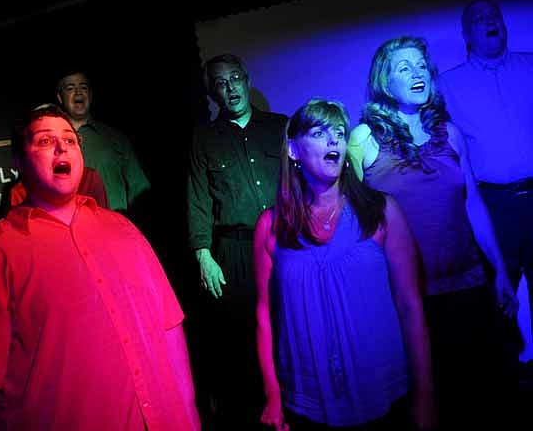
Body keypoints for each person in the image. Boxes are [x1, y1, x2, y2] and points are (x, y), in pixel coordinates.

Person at [0, 104, 200, 431]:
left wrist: (188, 414)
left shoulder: (123, 230)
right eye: (45, 141)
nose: (62, 146)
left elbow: (169, 327)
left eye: (70, 139)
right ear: (18, 161)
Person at [348, 36, 518, 429]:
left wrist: (501, 273)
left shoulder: (450, 134)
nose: (417, 73)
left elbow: (473, 203)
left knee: (481, 392)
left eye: (421, 66)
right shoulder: (363, 140)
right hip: (408, 298)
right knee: (429, 402)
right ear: (384, 81)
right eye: (404, 68)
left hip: (468, 283)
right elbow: (357, 228)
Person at [255, 98, 434, 430]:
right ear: (294, 150)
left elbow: (411, 304)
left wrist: (425, 394)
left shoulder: (381, 211)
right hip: (305, 402)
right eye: (320, 132)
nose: (333, 138)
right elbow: (265, 316)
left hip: (384, 395)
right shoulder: (271, 226)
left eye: (339, 130)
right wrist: (272, 395)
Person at [187, 53, 288, 429]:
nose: (230, 88)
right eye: (220, 83)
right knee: (245, 336)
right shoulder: (205, 139)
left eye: (234, 79)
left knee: (291, 323)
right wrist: (203, 255)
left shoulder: (280, 127)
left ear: (246, 80)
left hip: (283, 241)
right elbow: (198, 197)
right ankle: (261, 411)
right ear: (212, 92)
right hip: (234, 250)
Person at [438, 0, 532, 361]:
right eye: (479, 19)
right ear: (467, 34)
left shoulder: (531, 65)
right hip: (494, 206)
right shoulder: (447, 85)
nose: (490, 21)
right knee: (499, 298)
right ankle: (508, 376)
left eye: (494, 15)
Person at [55, 68, 150, 218]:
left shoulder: (115, 138)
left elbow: (139, 190)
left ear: (90, 95)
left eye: (83, 87)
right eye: (70, 88)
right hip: (73, 233)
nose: (78, 92)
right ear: (60, 97)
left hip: (115, 230)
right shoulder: (53, 144)